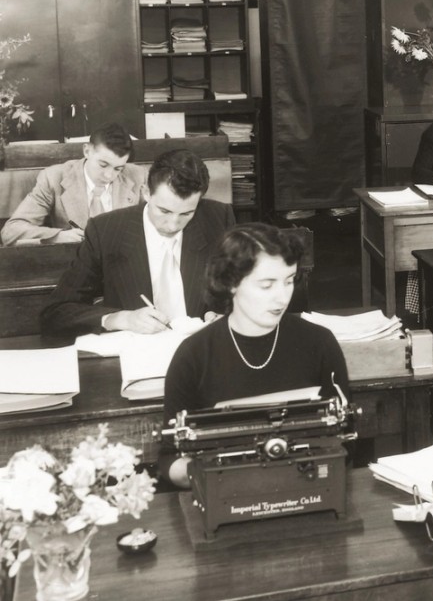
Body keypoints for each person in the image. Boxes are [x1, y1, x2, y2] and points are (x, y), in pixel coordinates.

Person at [160, 223, 349, 488]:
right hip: (224, 492)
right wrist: (216, 473)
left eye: (289, 281)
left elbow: (343, 435)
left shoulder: (320, 342)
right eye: (266, 285)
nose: (282, 298)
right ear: (231, 283)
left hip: (306, 486)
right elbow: (169, 459)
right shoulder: (193, 355)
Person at [39, 148, 236, 336]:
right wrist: (121, 319)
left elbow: (240, 289)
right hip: (136, 356)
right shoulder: (106, 231)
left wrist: (225, 313)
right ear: (146, 193)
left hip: (201, 349)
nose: (172, 224)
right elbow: (55, 313)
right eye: (164, 211)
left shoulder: (218, 219)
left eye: (186, 213)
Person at [1, 122, 144, 246]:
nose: (109, 175)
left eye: (118, 169)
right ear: (87, 151)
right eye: (103, 164)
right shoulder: (53, 178)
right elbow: (11, 232)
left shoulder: (137, 176)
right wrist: (57, 236)